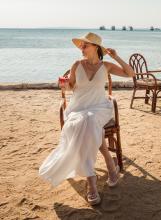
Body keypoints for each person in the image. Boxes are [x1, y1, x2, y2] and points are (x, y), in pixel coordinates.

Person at [39, 32, 135, 205]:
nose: (81, 48)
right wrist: (64, 85)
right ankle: (110, 170)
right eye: (81, 45)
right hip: (78, 109)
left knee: (88, 122)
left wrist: (116, 56)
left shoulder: (106, 65)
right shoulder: (76, 64)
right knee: (87, 123)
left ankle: (92, 183)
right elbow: (71, 87)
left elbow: (131, 74)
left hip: (100, 108)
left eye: (85, 45)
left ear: (96, 48)